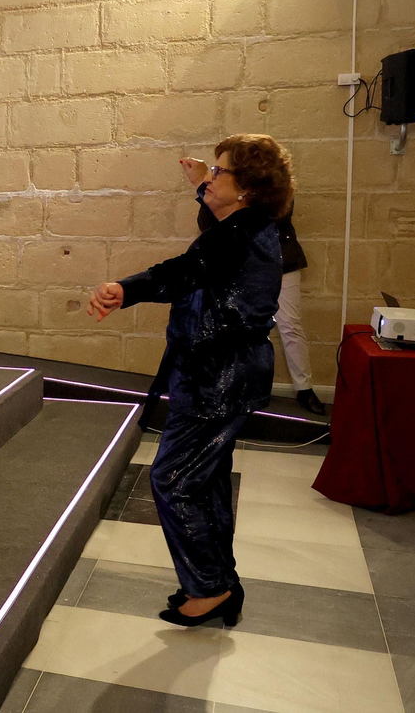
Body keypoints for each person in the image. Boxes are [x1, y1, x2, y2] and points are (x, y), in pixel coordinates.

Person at [88, 134, 294, 628]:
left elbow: (187, 269)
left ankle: (210, 587)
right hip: (222, 373)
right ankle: (217, 581)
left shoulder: (240, 234)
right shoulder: (246, 225)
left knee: (174, 479)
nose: (211, 178)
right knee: (206, 480)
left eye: (220, 172)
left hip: (215, 377)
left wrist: (124, 289)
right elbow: (211, 236)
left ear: (246, 187)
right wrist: (202, 181)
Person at [179, 158, 326, 416]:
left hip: (281, 263)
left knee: (290, 325)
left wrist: (212, 190)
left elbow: (261, 218)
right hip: (237, 266)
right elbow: (208, 225)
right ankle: (232, 390)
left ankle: (304, 389)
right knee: (234, 327)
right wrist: (207, 190)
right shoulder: (221, 189)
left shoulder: (275, 187)